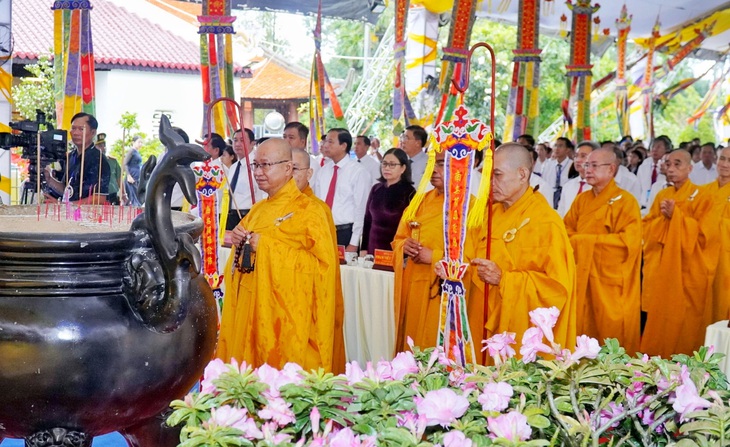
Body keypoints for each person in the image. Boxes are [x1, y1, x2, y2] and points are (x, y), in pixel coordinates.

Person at [217, 139, 339, 371]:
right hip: (251, 308)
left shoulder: (310, 211)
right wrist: (238, 243)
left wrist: (267, 247)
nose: (258, 172)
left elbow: (323, 269)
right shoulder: (257, 210)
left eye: (266, 165)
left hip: (285, 320)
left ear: (287, 168)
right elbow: (241, 264)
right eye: (255, 165)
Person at [468, 143, 577, 353]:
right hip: (481, 316)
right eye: (487, 175)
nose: (489, 183)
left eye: (497, 175)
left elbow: (557, 289)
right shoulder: (489, 214)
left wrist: (505, 279)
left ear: (522, 174)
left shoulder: (546, 222)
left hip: (520, 330)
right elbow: (469, 255)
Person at [563, 148, 641, 353]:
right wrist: (582, 242)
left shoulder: (626, 202)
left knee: (611, 338)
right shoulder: (581, 200)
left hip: (609, 283)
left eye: (594, 165)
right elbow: (566, 231)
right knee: (581, 335)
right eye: (586, 165)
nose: (587, 170)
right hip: (582, 280)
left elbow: (628, 244)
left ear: (611, 169)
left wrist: (585, 242)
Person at [640, 150, 717, 358]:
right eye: (668, 164)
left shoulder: (703, 196)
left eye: (677, 164)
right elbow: (646, 229)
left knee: (686, 322)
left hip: (688, 272)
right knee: (660, 320)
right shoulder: (662, 196)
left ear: (690, 168)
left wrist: (677, 217)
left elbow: (704, 236)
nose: (671, 169)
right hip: (662, 270)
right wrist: (666, 220)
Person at [392, 151, 464, 352]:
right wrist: (404, 246)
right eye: (432, 164)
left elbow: (472, 258)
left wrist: (434, 257)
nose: (433, 170)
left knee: (435, 346)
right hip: (414, 285)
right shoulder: (419, 201)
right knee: (411, 344)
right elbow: (398, 239)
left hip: (443, 291)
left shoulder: (470, 207)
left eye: (441, 164)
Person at [291, 148, 346, 374]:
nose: (288, 175)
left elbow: (324, 264)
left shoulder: (317, 210)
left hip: (306, 298)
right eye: (285, 168)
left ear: (309, 173)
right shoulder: (269, 208)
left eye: (294, 169)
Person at [312, 128, 371, 251]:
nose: (325, 145)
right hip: (323, 230)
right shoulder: (323, 171)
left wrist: (354, 242)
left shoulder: (358, 172)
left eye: (330, 142)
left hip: (345, 233)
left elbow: (361, 209)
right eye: (325, 141)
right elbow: (317, 204)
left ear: (343, 145)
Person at [45, 112, 110, 202]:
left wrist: (64, 206)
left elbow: (100, 198)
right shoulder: (71, 156)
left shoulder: (98, 159)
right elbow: (67, 189)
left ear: (93, 132)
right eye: (73, 128)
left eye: (81, 129)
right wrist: (49, 179)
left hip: (87, 215)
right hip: (69, 213)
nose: (75, 133)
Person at [361, 148, 415, 255]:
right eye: (384, 164)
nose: (387, 168)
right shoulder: (376, 189)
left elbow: (412, 227)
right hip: (372, 249)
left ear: (403, 168)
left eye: (392, 165)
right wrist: (363, 248)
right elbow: (368, 220)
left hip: (395, 251)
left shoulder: (410, 192)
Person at [704, 146, 730, 322]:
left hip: (726, 260)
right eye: (722, 159)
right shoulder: (704, 191)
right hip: (704, 258)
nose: (725, 164)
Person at [225, 128, 264, 231]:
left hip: (249, 215)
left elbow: (263, 194)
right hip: (230, 216)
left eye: (242, 140)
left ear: (252, 143)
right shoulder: (233, 167)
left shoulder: (257, 165)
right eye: (235, 140)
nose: (237, 144)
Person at [557, 141, 596, 218]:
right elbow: (561, 213)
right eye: (576, 156)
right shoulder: (568, 186)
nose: (578, 160)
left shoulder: (599, 187)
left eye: (583, 156)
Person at [636, 135, 670, 208]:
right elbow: (638, 187)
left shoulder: (669, 166)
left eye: (658, 147)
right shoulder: (644, 165)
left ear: (667, 149)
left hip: (661, 205)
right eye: (653, 146)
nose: (654, 149)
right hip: (643, 205)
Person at [541, 137, 574, 209]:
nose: (557, 148)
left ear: (567, 149)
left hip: (565, 199)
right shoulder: (548, 165)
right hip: (549, 198)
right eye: (555, 145)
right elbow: (543, 182)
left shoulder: (572, 165)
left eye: (560, 146)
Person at [96, 133, 122, 205]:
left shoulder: (112, 161)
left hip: (112, 195)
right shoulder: (91, 162)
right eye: (100, 146)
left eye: (104, 145)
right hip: (97, 196)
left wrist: (123, 194)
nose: (103, 148)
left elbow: (119, 178)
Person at [124, 135, 144, 206]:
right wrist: (129, 176)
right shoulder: (131, 151)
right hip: (131, 177)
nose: (140, 144)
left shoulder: (137, 152)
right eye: (139, 142)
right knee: (133, 198)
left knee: (136, 197)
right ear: (133, 142)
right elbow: (125, 163)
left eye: (141, 142)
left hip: (136, 176)